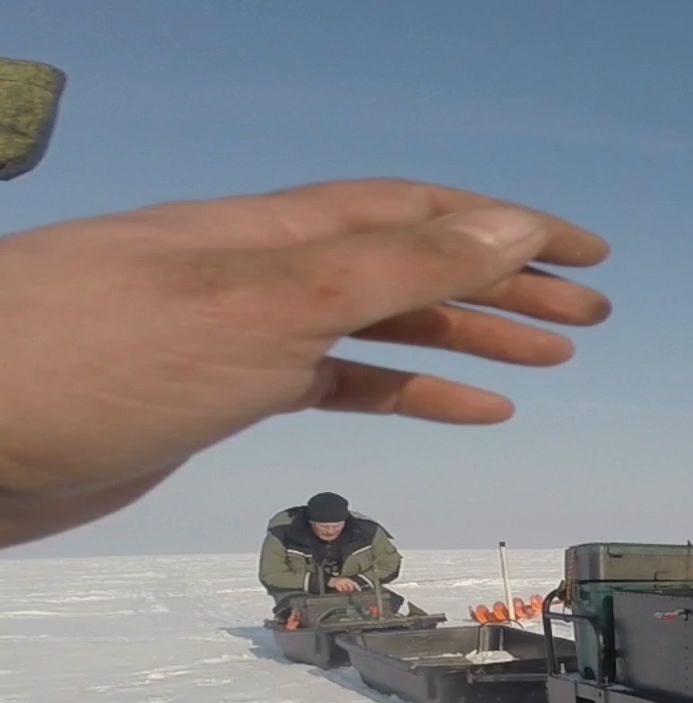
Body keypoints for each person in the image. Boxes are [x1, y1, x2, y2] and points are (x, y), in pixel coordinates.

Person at [0, 179, 611, 552]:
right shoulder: (286, 542)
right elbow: (280, 579)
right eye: (323, 526)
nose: (327, 531)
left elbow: (386, 567)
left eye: (332, 525)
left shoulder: (367, 539)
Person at [259, 491, 402, 613]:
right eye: (324, 526)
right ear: (311, 522)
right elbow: (272, 575)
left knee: (387, 603)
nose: (330, 531)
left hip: (356, 590)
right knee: (302, 612)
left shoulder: (368, 532)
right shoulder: (282, 535)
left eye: (337, 526)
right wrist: (328, 582)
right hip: (300, 593)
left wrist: (357, 582)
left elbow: (389, 563)